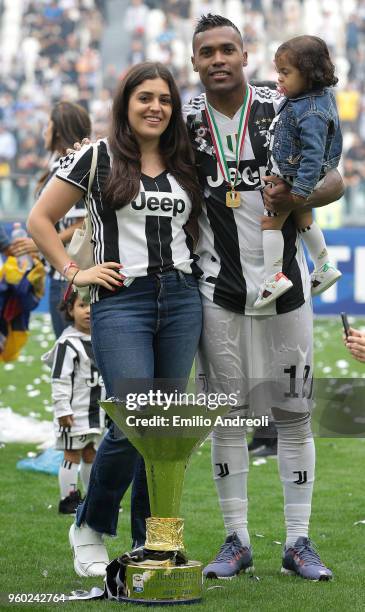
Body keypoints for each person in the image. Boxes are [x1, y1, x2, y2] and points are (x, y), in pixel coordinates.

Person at [27, 62, 203, 577]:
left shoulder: (185, 159)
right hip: (121, 300)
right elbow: (40, 219)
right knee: (133, 422)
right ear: (125, 103)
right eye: (145, 97)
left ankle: (153, 544)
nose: (156, 107)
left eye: (165, 100)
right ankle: (89, 523)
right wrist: (73, 271)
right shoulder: (97, 156)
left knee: (164, 430)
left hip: (181, 297)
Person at [184, 14, 343, 581]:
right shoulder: (185, 121)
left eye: (229, 49)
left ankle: (299, 541)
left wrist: (297, 193)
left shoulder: (284, 106)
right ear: (195, 62)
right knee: (226, 418)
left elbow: (337, 181)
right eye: (208, 52)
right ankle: (237, 540)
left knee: (295, 415)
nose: (219, 59)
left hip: (287, 289)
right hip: (218, 290)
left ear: (246, 55)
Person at [254, 36, 342, 309]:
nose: (278, 78)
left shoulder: (311, 110)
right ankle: (324, 264)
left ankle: (274, 276)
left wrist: (297, 193)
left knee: (270, 223)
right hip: (297, 176)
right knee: (304, 219)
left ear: (308, 74)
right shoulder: (311, 96)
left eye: (285, 73)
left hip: (292, 178)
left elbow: (313, 154)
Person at [12, 102, 92, 338]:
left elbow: (84, 220)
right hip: (63, 272)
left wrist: (43, 241)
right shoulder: (63, 164)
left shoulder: (72, 164)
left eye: (47, 125)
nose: (43, 132)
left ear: (57, 129)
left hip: (71, 274)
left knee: (74, 357)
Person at [42, 290, 106, 514]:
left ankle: (90, 500)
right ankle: (68, 499)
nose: (88, 310)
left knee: (91, 453)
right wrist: (62, 410)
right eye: (81, 305)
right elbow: (59, 379)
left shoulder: (102, 339)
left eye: (92, 305)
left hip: (95, 412)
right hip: (74, 412)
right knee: (72, 453)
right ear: (70, 310)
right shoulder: (67, 344)